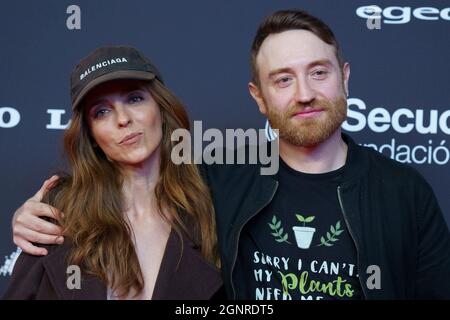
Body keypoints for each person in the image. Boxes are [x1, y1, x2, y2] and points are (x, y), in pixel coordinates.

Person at [10, 10, 450, 300]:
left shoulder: (404, 192)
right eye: (282, 80)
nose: (305, 93)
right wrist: (37, 212)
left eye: (318, 72)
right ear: (257, 98)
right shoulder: (223, 178)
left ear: (345, 77)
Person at [3, 45, 222, 300]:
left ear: (161, 110)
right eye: (102, 112)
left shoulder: (214, 206)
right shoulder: (60, 213)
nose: (123, 119)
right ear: (92, 136)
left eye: (134, 98)